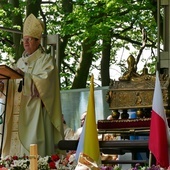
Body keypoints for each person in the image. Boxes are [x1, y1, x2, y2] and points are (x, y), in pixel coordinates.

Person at [2, 13, 64, 157]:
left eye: (29, 39)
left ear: (38, 41)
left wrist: (25, 76)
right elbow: (12, 86)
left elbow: (46, 85)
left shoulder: (46, 61)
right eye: (24, 40)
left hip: (35, 115)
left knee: (34, 156)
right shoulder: (19, 62)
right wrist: (4, 84)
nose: (26, 42)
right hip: (15, 115)